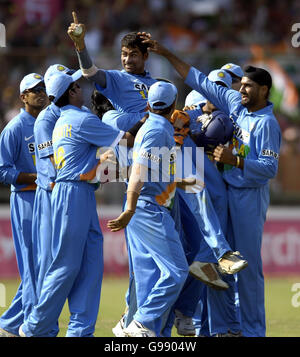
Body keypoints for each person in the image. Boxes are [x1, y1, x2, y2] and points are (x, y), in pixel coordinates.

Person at [140, 34, 281, 336]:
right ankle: (224, 328)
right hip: (228, 190)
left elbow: (269, 167)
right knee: (223, 264)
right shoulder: (236, 106)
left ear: (264, 90)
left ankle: (254, 331)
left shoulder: (267, 124)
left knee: (247, 268)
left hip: (248, 196)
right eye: (240, 84)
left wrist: (236, 160)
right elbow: (199, 79)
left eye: (248, 87)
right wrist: (165, 52)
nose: (240, 89)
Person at [19, 70, 135, 337]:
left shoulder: (64, 119)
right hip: (72, 193)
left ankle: (81, 331)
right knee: (66, 264)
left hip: (79, 192)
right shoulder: (80, 119)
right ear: (71, 92)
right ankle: (35, 326)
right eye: (78, 85)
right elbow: (124, 140)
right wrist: (150, 121)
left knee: (90, 265)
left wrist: (101, 161)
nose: (83, 88)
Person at [107, 81, 190, 337]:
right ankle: (141, 323)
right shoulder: (156, 130)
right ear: (174, 105)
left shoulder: (150, 127)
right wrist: (130, 208)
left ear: (147, 105)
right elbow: (140, 171)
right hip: (149, 208)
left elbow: (153, 169)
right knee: (177, 271)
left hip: (144, 206)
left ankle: (131, 324)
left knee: (146, 276)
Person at [31, 64, 83, 337]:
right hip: (52, 195)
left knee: (64, 262)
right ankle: (41, 326)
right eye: (70, 84)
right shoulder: (45, 120)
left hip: (65, 194)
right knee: (50, 264)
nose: (76, 88)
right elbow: (51, 165)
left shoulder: (68, 114)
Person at [0, 73, 47, 337]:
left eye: (43, 88)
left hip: (47, 199)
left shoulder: (50, 121)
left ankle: (9, 325)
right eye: (34, 90)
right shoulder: (15, 128)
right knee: (32, 267)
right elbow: (2, 171)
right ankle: (30, 327)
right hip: (27, 199)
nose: (40, 93)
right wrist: (38, 177)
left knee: (43, 268)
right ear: (23, 96)